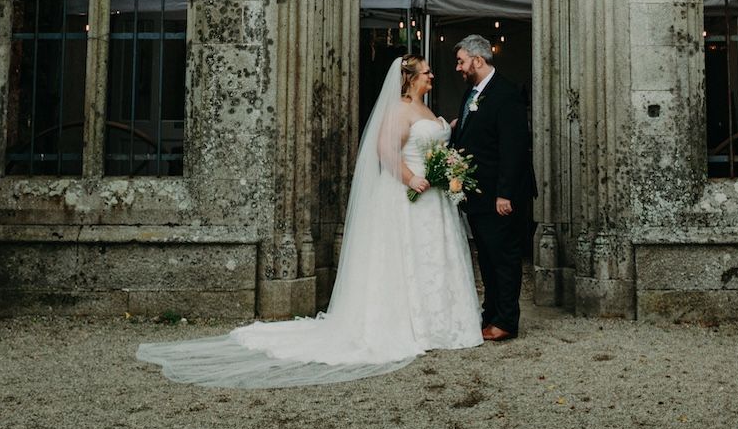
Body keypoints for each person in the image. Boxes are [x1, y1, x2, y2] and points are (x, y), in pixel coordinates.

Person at [135, 56, 482, 387]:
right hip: (412, 195)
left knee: (433, 260)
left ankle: (441, 323)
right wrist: (410, 178)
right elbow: (385, 151)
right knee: (407, 258)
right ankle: (413, 324)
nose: (432, 77)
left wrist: (444, 146)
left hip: (434, 199)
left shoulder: (424, 109)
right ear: (410, 79)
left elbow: (429, 145)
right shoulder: (398, 109)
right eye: (427, 73)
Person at [450, 34, 536, 341]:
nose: (458, 68)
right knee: (486, 257)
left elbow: (513, 147)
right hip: (477, 194)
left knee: (504, 257)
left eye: (461, 61)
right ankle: (490, 313)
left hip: (500, 196)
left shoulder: (507, 93)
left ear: (477, 59)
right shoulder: (472, 93)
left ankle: (507, 321)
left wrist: (505, 194)